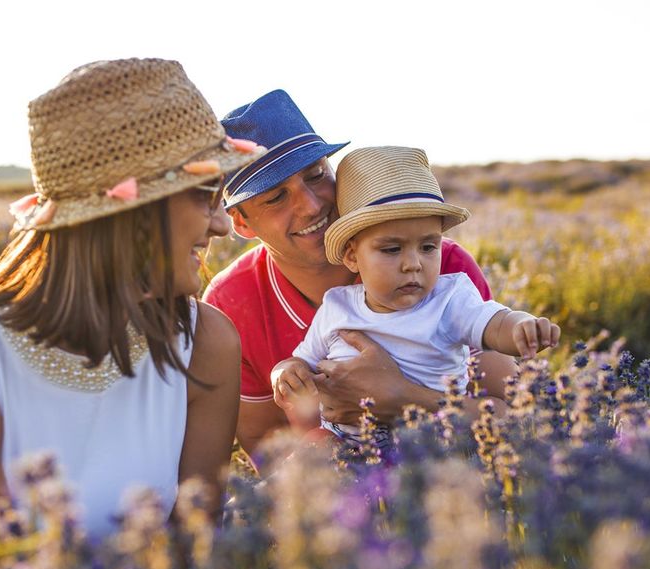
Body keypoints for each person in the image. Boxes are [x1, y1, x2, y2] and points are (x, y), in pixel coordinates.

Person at [0, 58, 263, 569]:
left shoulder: (206, 344)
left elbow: (192, 551)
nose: (222, 224)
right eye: (204, 196)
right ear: (131, 216)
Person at [203, 90, 519, 460]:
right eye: (276, 197)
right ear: (241, 222)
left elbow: (512, 420)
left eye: (317, 175)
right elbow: (270, 460)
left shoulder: (438, 266)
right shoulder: (231, 303)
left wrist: (401, 397)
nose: (311, 204)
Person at [270, 146, 560, 440]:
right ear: (352, 255)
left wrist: (523, 327)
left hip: (429, 440)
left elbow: (496, 324)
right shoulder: (337, 305)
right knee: (315, 444)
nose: (413, 264)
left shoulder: (450, 299)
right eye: (392, 249)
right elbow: (303, 361)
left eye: (428, 247)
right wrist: (285, 371)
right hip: (349, 445)